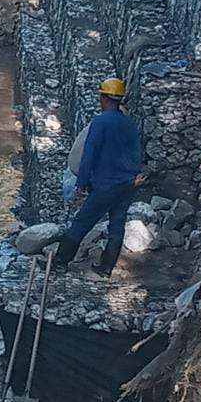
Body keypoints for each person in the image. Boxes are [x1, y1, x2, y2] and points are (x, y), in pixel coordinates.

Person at [52, 77, 142, 278]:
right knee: (117, 225)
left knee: (81, 222)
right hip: (127, 183)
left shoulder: (100, 122)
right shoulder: (128, 123)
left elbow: (89, 154)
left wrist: (82, 183)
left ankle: (59, 263)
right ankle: (106, 267)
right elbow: (136, 153)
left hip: (105, 184)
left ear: (104, 97)